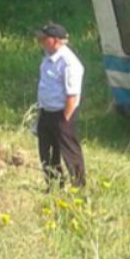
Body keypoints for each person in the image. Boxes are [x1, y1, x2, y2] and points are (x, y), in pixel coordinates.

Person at [35, 22, 86, 189]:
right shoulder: (48, 57)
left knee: (69, 151)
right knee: (47, 151)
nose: (41, 41)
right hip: (46, 111)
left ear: (56, 40)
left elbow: (72, 94)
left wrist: (65, 119)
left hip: (62, 113)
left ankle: (79, 186)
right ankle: (54, 185)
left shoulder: (69, 62)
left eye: (45, 39)